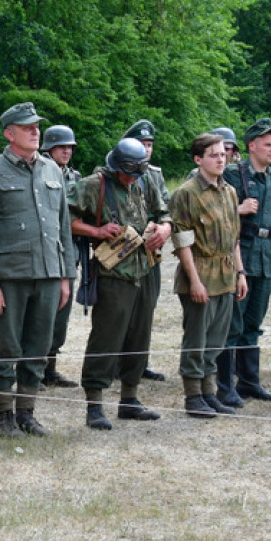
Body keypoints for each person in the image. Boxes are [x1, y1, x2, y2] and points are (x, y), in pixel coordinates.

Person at [0, 102, 73, 438]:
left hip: (47, 275)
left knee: (38, 346)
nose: (35, 132)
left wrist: (64, 277)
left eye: (36, 126)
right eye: (27, 127)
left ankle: (27, 412)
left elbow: (63, 230)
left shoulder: (51, 170)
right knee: (4, 346)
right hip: (10, 276)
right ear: (9, 133)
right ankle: (4, 416)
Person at [68, 138, 171, 429]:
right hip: (113, 274)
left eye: (137, 173)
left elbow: (164, 213)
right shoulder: (93, 185)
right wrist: (95, 230)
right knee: (106, 338)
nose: (132, 178)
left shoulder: (144, 180)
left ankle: (130, 399)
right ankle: (95, 405)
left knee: (140, 337)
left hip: (145, 269)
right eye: (128, 173)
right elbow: (64, 214)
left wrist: (164, 229)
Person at [169, 132, 248, 417]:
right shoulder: (186, 194)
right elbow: (182, 242)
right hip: (200, 273)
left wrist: (240, 273)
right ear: (198, 159)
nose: (220, 159)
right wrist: (194, 281)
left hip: (226, 273)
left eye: (223, 154)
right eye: (213, 154)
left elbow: (234, 237)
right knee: (197, 339)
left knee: (216, 339)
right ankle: (193, 397)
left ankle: (208, 392)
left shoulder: (229, 192)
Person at [215, 117, 271, 408]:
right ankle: (224, 386)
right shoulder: (232, 175)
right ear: (252, 145)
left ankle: (249, 381)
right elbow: (215, 212)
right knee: (233, 323)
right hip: (240, 253)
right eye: (268, 145)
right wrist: (239, 208)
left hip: (266, 255)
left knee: (254, 324)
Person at [125, 119, 171, 382]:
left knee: (146, 308)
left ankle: (139, 363)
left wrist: (162, 227)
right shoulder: (116, 168)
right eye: (142, 143)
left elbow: (164, 206)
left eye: (150, 143)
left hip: (149, 251)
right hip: (123, 251)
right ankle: (118, 363)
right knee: (122, 311)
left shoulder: (154, 174)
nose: (147, 148)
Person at [40, 124, 81, 389]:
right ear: (49, 148)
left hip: (69, 252)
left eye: (69, 147)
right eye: (61, 147)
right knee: (41, 318)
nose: (66, 151)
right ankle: (33, 369)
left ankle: (50, 368)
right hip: (45, 252)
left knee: (61, 319)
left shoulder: (74, 176)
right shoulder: (39, 172)